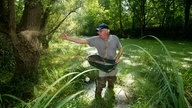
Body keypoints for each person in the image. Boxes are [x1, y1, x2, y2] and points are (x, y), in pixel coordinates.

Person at [60, 23, 123, 104]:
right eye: (98, 31)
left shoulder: (114, 38)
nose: (98, 33)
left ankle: (111, 92)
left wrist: (117, 57)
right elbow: (81, 41)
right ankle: (97, 98)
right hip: (102, 65)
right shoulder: (96, 39)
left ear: (107, 31)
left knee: (112, 81)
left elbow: (121, 49)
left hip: (113, 65)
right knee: (101, 83)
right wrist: (68, 38)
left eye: (101, 31)